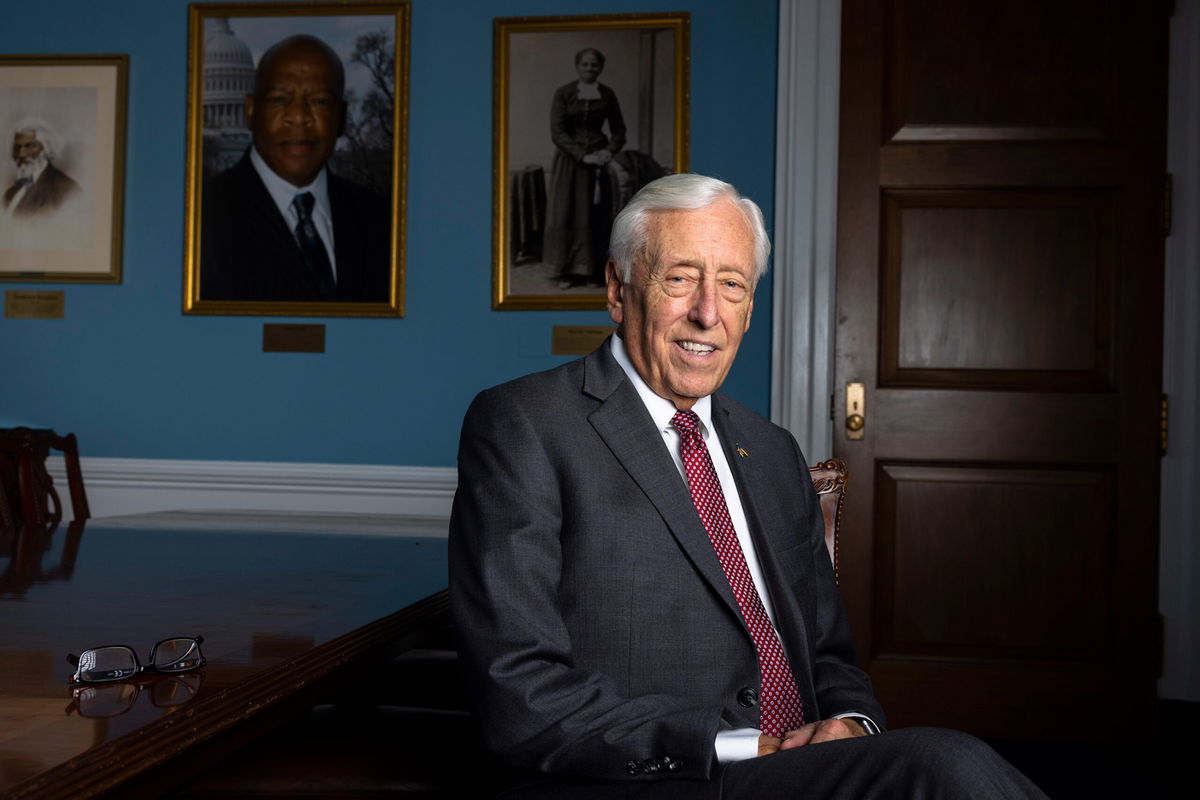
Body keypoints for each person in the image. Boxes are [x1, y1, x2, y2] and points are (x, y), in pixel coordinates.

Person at [449, 173, 1048, 798]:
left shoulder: (770, 450)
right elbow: (516, 688)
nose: (708, 313)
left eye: (731, 285)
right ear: (617, 289)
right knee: (942, 765)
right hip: (664, 776)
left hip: (801, 770)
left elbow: (830, 655)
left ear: (750, 307)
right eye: (679, 278)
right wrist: (726, 741)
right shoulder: (526, 424)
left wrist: (852, 723)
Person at [200, 34, 390, 303]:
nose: (299, 117)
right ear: (250, 110)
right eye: (278, 99)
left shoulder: (381, 222)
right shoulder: (199, 218)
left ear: (342, 117)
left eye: (320, 101)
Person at [543, 47, 626, 290]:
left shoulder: (607, 95)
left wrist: (607, 151)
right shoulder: (564, 93)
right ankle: (566, 271)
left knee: (596, 215)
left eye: (594, 65)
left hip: (599, 164)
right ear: (577, 66)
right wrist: (582, 155)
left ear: (600, 68)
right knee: (567, 212)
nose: (590, 69)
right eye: (585, 65)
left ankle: (592, 272)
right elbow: (557, 132)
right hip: (570, 162)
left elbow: (619, 131)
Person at [2, 121, 80, 218]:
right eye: (17, 147)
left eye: (29, 146)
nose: (21, 154)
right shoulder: (10, 193)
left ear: (45, 149)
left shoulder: (66, 190)